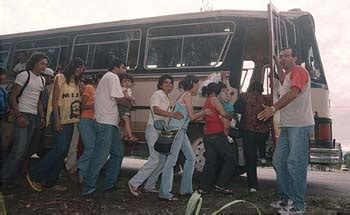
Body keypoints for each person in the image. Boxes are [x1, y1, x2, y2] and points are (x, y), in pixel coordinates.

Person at [258, 47, 314, 214]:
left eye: (287, 56)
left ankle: (298, 205)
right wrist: (275, 62)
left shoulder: (300, 71)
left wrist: (273, 109)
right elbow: (284, 80)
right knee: (278, 160)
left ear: (295, 58)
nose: (283, 59)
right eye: (281, 57)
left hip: (300, 124)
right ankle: (285, 199)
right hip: (287, 125)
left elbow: (294, 92)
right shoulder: (289, 75)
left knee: (295, 163)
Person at [27, 58, 85, 192]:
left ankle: (51, 182)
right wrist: (57, 120)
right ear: (72, 66)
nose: (80, 70)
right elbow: (54, 101)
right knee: (60, 148)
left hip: (71, 121)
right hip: (59, 118)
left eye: (82, 68)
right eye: (78, 67)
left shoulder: (75, 82)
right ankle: (34, 174)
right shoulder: (60, 77)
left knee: (63, 151)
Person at [128, 75, 183, 196]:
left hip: (161, 131)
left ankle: (150, 185)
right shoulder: (157, 94)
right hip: (152, 129)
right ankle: (134, 183)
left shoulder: (166, 98)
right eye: (166, 83)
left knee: (162, 160)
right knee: (155, 159)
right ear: (160, 84)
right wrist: (172, 114)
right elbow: (156, 110)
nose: (169, 85)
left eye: (170, 83)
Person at [82, 59, 130, 195]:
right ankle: (88, 187)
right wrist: (128, 101)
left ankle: (109, 184)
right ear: (115, 67)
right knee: (101, 155)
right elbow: (118, 98)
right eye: (123, 67)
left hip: (109, 121)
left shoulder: (106, 77)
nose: (125, 70)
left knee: (118, 153)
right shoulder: (112, 76)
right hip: (106, 122)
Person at [1, 53, 47, 187]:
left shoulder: (42, 80)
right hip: (23, 114)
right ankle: (5, 178)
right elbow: (13, 96)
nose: (44, 66)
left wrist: (42, 116)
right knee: (19, 149)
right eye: (42, 63)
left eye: (46, 64)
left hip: (34, 116)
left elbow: (38, 100)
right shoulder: (24, 75)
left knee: (25, 149)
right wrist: (19, 115)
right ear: (35, 63)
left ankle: (11, 177)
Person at [159, 75, 205, 201]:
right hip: (177, 131)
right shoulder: (188, 95)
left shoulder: (183, 95)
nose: (198, 87)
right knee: (171, 161)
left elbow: (187, 118)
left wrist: (201, 114)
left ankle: (185, 190)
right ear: (192, 84)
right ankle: (164, 193)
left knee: (190, 158)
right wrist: (203, 112)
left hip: (180, 130)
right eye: (197, 85)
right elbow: (191, 117)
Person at [198, 82, 237, 194]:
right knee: (231, 158)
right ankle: (221, 185)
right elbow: (223, 113)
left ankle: (203, 187)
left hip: (208, 134)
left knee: (210, 161)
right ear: (216, 91)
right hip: (217, 134)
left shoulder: (207, 101)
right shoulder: (214, 99)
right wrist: (231, 116)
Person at [240, 81, 272, 193]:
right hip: (262, 132)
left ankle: (253, 186)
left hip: (248, 132)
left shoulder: (245, 97)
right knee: (261, 143)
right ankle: (262, 156)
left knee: (250, 159)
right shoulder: (266, 99)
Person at [76, 76, 99, 184]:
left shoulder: (99, 91)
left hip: (94, 121)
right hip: (85, 120)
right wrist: (94, 105)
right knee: (91, 147)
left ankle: (81, 173)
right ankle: (77, 168)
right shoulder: (89, 88)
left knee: (92, 148)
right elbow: (82, 105)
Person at [118, 73, 138, 141]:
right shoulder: (123, 89)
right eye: (125, 81)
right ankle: (130, 135)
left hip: (126, 107)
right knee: (127, 121)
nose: (127, 83)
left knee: (124, 122)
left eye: (129, 81)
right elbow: (126, 96)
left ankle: (125, 135)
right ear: (121, 83)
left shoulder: (128, 89)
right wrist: (132, 98)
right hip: (123, 107)